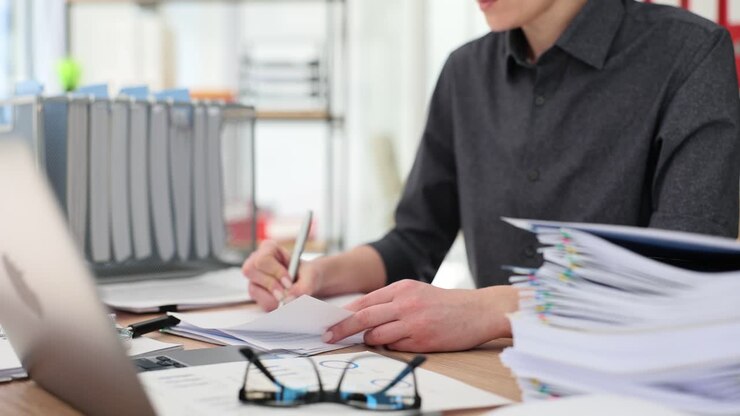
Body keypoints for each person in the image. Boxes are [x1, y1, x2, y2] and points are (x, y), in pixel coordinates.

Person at [242, 0, 740, 353]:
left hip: (631, 380)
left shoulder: (690, 54)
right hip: (488, 374)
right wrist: (318, 274)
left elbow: (682, 268)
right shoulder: (465, 72)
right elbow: (415, 242)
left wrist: (489, 311)